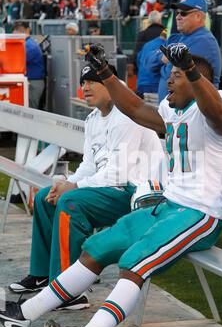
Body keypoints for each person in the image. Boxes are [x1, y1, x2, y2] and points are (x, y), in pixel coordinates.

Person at [0, 43, 222, 327]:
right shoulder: (172, 111)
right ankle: (24, 313)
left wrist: (193, 71)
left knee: (133, 262)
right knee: (98, 247)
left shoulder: (220, 101)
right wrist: (106, 74)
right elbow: (135, 108)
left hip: (199, 214)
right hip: (168, 205)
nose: (167, 81)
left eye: (175, 75)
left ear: (196, 78)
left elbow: (220, 119)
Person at [7, 62, 165, 310]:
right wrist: (68, 183)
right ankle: (41, 274)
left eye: (92, 81)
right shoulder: (94, 118)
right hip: (108, 189)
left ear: (110, 84)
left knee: (71, 203)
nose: (86, 87)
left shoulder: (126, 117)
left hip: (135, 194)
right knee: (46, 197)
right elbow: (90, 163)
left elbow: (118, 174)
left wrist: (75, 187)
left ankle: (68, 290)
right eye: (83, 82)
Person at [144, 0, 221, 102]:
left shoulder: (204, 40)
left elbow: (173, 75)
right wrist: (162, 57)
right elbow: (147, 63)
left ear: (198, 16)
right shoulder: (174, 38)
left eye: (183, 13)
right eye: (177, 12)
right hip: (174, 113)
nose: (178, 17)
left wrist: (162, 67)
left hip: (192, 113)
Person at [12, 22, 45, 110]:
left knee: (31, 112)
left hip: (33, 83)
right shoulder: (26, 43)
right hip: (30, 82)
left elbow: (16, 60)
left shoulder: (29, 45)